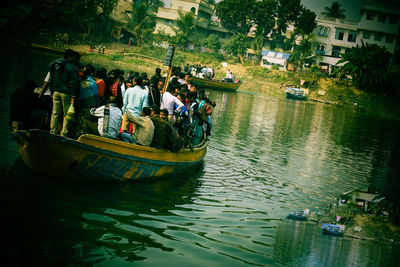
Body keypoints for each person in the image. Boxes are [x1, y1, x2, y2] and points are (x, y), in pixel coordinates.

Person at [48, 49, 80, 137]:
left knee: (55, 112)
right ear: (70, 57)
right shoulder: (73, 68)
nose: (75, 59)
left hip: (56, 92)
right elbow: (73, 83)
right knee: (66, 114)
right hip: (66, 93)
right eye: (73, 57)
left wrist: (51, 91)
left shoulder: (56, 65)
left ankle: (53, 131)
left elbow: (51, 78)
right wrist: (73, 95)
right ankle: (64, 133)